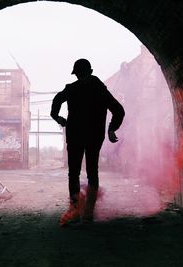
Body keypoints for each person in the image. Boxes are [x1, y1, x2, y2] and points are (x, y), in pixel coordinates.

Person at [51, 58, 125, 226]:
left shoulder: (72, 89)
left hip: (75, 135)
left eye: (78, 74)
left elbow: (56, 100)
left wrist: (58, 118)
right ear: (90, 72)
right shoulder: (100, 90)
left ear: (76, 74)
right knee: (92, 172)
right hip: (94, 136)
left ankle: (76, 211)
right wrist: (112, 129)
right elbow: (119, 110)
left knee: (74, 173)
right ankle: (88, 214)